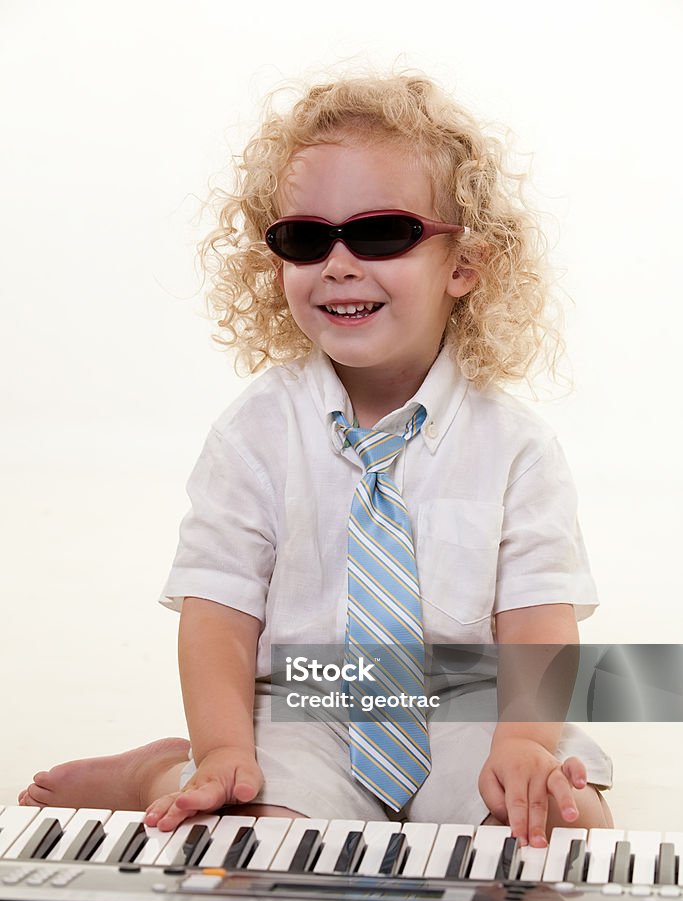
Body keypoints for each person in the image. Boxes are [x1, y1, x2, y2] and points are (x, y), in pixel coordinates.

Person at [19, 72, 613, 849]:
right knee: (245, 831)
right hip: (309, 711)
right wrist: (224, 747)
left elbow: (537, 616)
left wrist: (523, 745)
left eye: (380, 234)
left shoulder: (515, 445)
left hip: (471, 710)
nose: (337, 262)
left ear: (464, 266)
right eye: (305, 238)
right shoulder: (255, 435)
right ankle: (160, 772)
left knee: (567, 828)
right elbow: (219, 611)